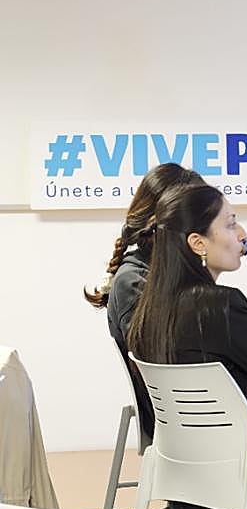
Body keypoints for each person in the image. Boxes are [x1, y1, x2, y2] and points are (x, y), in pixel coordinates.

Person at [126, 184, 247, 509]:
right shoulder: (220, 306)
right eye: (230, 224)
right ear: (198, 243)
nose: (242, 235)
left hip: (184, 494)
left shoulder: (150, 310)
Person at [84, 162, 204, 440]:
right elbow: (174, 367)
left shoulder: (173, 274)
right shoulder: (134, 282)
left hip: (202, 415)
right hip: (183, 426)